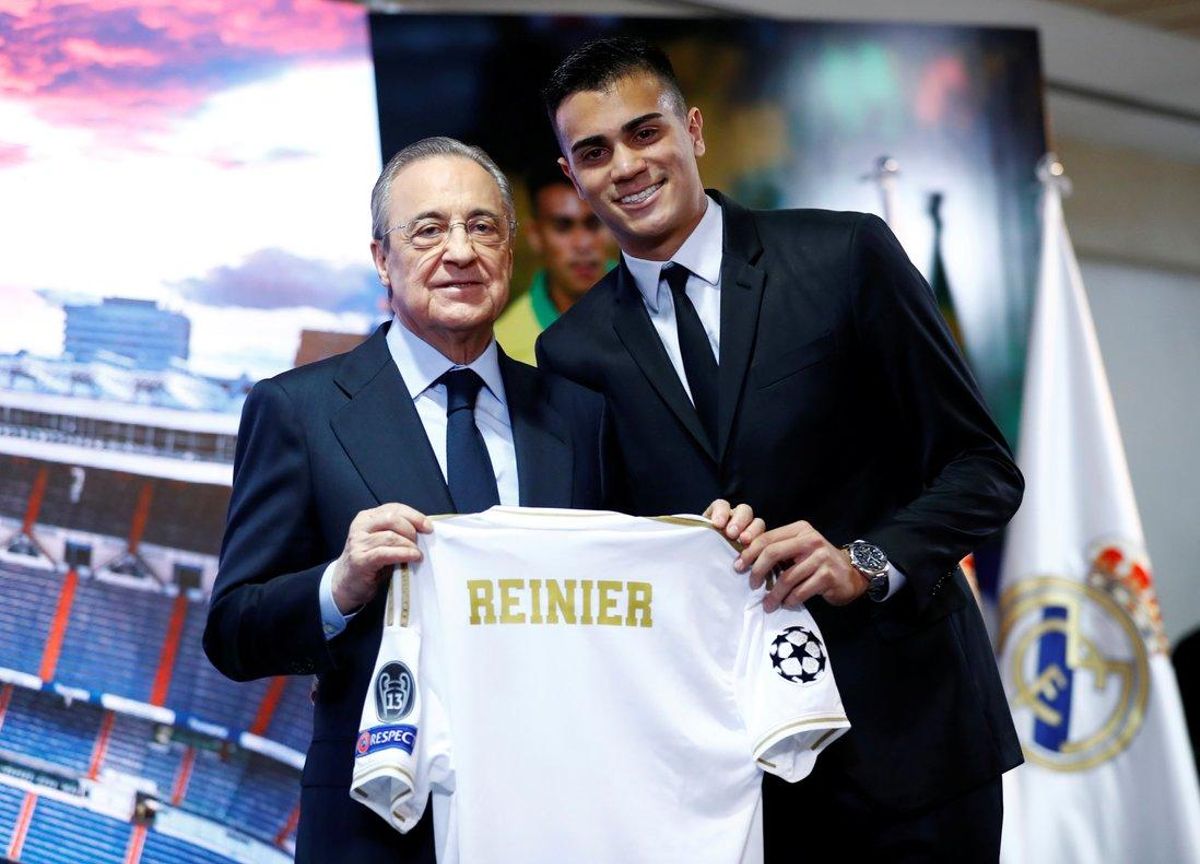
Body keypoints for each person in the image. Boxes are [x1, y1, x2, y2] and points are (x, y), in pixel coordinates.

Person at [203, 135, 758, 863]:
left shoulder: (579, 415)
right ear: (381, 259)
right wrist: (340, 584)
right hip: (377, 830)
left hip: (560, 813)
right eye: (427, 230)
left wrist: (709, 545)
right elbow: (233, 632)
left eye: (482, 226)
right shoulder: (299, 410)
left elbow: (635, 592)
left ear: (509, 252)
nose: (459, 251)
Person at [537, 37, 1025, 862]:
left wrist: (862, 561)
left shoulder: (844, 255)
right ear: (572, 174)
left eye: (644, 132)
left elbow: (983, 468)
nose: (624, 165)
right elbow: (608, 570)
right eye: (594, 151)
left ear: (692, 130)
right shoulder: (573, 354)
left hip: (915, 745)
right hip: (735, 777)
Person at [494, 162, 615, 364]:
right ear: (535, 236)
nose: (583, 244)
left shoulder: (656, 297)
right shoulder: (506, 349)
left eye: (594, 223)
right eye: (563, 227)